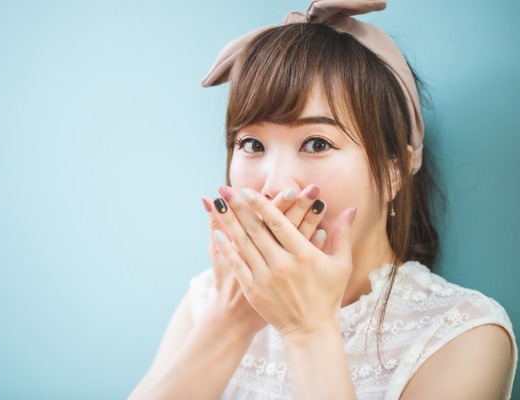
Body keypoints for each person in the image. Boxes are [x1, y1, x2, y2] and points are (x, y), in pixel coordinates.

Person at [130, 0, 517, 398]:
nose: (274, 185)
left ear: (394, 171)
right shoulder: (207, 300)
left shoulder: (463, 336)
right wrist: (231, 318)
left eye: (317, 143)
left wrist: (308, 329)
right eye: (251, 144)